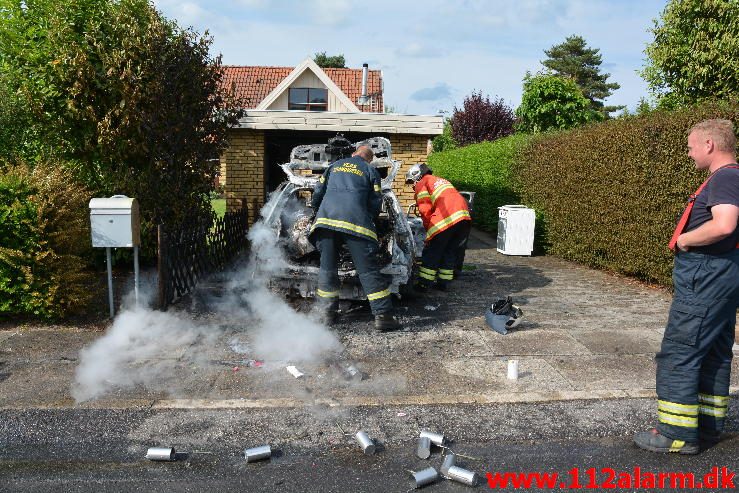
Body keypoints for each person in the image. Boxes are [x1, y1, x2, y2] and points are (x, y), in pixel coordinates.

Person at [634, 119, 739, 455]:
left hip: (707, 276)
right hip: (722, 275)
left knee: (680, 352)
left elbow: (724, 224)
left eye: (692, 146)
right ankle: (707, 426)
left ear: (709, 144)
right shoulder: (732, 177)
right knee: (713, 351)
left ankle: (675, 434)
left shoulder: (726, 177)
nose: (689, 153)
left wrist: (684, 241)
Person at [309, 145, 402, 331]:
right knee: (368, 271)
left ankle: (327, 315)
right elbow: (376, 201)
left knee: (327, 270)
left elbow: (318, 191)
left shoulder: (334, 166)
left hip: (326, 223)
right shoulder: (370, 170)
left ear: (354, 154)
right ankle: (383, 317)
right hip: (356, 225)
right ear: (369, 159)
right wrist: (370, 218)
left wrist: (316, 210)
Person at [405, 163, 471, 291]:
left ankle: (424, 284)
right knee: (449, 250)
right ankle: (443, 283)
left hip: (446, 217)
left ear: (416, 176)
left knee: (432, 251)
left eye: (411, 182)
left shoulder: (422, 183)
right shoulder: (439, 180)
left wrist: (429, 230)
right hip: (464, 217)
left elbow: (425, 210)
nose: (412, 185)